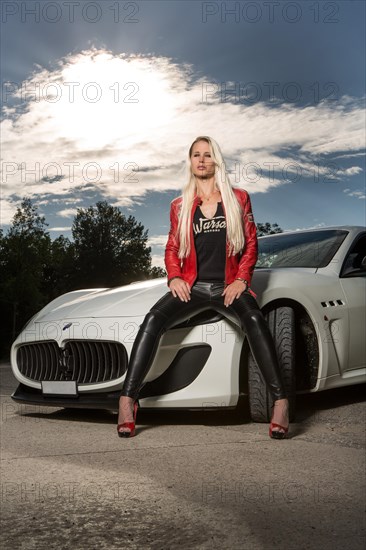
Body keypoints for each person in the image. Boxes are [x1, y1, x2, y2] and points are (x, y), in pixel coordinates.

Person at [117, 136, 289, 439]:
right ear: (190, 161)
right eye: (196, 155)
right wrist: (174, 277)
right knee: (153, 319)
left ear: (216, 161)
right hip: (193, 287)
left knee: (254, 319)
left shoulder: (238, 198)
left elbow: (250, 244)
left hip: (228, 285)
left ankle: (280, 401)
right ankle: (128, 400)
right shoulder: (179, 205)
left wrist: (241, 279)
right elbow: (172, 247)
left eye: (207, 155)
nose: (201, 160)